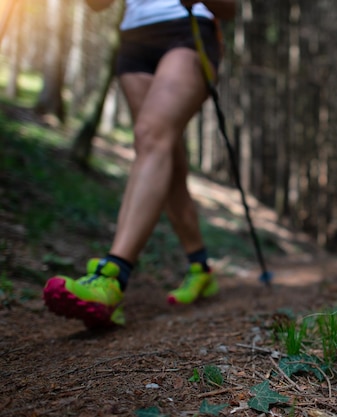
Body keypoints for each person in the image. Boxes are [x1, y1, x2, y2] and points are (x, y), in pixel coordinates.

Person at [43, 0, 237, 328]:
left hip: (187, 30)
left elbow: (229, 8)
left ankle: (114, 275)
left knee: (151, 137)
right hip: (134, 36)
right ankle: (201, 268)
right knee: (163, 153)